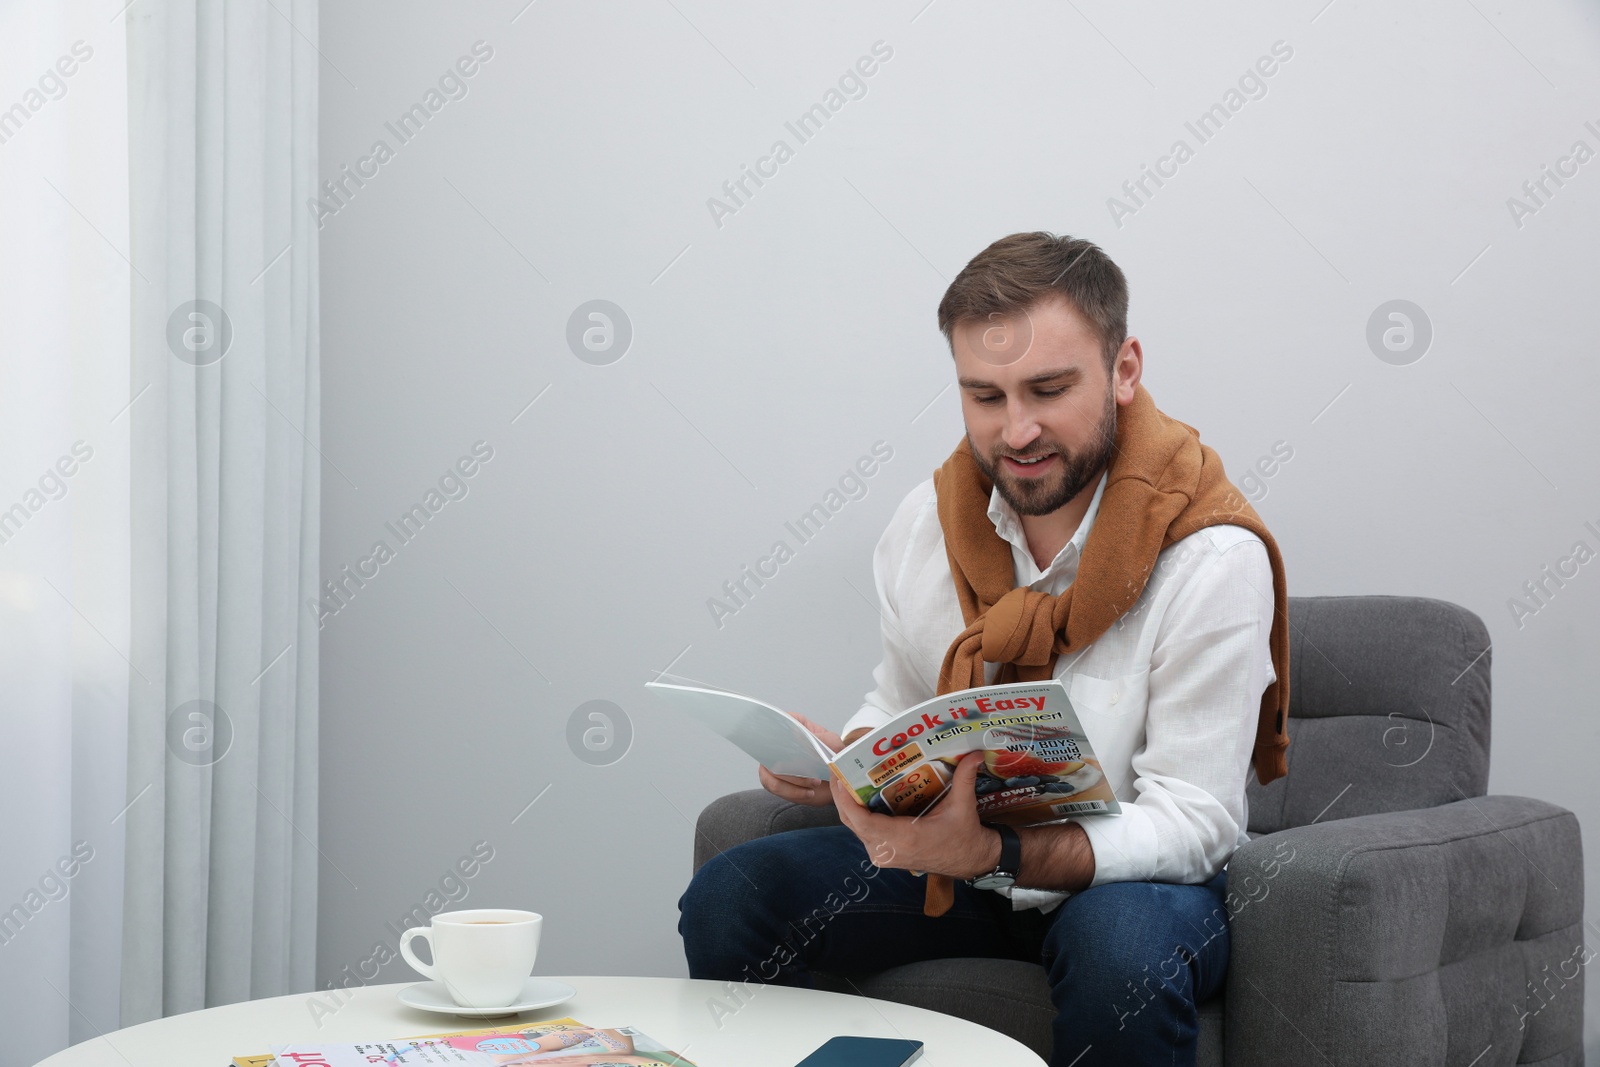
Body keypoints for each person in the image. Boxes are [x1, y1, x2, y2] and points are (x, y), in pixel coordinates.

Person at [677, 231, 1290, 1067]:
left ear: (1124, 370)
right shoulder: (926, 527)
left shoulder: (1211, 558)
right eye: (985, 396)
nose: (1018, 429)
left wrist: (1001, 851)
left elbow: (1196, 821)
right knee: (731, 894)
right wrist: (845, 760)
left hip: (1139, 884)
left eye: (1049, 388)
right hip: (961, 869)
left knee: (1119, 947)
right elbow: (898, 702)